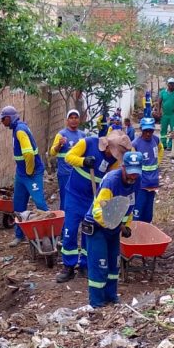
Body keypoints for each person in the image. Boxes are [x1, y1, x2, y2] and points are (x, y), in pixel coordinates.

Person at [55, 130, 131, 283]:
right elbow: (69, 157)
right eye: (113, 152)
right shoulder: (88, 143)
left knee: (88, 230)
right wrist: (83, 161)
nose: (112, 156)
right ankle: (68, 266)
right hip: (74, 195)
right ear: (107, 145)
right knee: (70, 230)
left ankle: (84, 264)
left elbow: (111, 178)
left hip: (92, 198)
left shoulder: (114, 161)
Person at [84, 151, 142, 308]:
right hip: (98, 227)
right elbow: (98, 211)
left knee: (113, 265)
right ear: (123, 167)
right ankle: (96, 302)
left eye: (136, 174)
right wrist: (114, 224)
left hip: (114, 227)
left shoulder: (136, 181)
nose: (133, 177)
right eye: (130, 173)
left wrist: (127, 225)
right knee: (100, 265)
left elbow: (130, 205)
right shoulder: (111, 182)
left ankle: (111, 296)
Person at [0, 106, 48, 246]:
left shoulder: (20, 131)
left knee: (40, 203)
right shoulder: (17, 128)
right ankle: (19, 235)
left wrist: (29, 171)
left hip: (31, 173)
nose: (1, 122)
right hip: (21, 173)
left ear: (8, 118)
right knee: (18, 204)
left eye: (2, 119)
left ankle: (48, 234)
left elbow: (29, 153)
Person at [48, 109, 84, 211]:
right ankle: (64, 223)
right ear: (67, 120)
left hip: (79, 173)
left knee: (78, 198)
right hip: (65, 173)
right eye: (71, 118)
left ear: (79, 120)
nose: (73, 120)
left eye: (76, 118)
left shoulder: (82, 135)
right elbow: (52, 152)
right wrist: (59, 144)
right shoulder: (61, 134)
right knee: (65, 199)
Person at [132, 117, 163, 223]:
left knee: (148, 214)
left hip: (153, 182)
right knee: (138, 211)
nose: (148, 134)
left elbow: (160, 149)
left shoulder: (156, 139)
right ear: (141, 129)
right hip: (141, 183)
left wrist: (157, 162)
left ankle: (146, 235)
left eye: (150, 131)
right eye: (146, 131)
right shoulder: (136, 144)